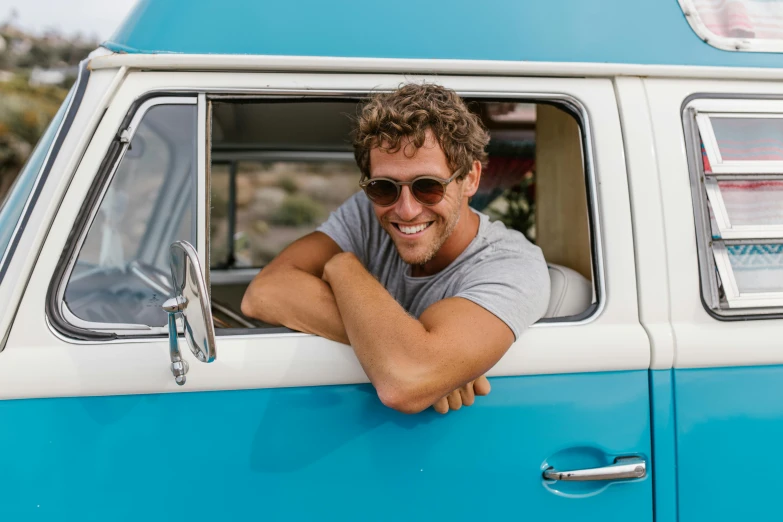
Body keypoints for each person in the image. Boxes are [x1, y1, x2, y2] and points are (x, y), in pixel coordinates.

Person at [241, 83, 550, 414]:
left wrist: (342, 268)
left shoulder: (514, 265)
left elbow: (404, 380)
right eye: (383, 187)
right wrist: (406, 346)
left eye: (428, 187)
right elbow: (264, 293)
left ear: (470, 179)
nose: (405, 210)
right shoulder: (366, 211)